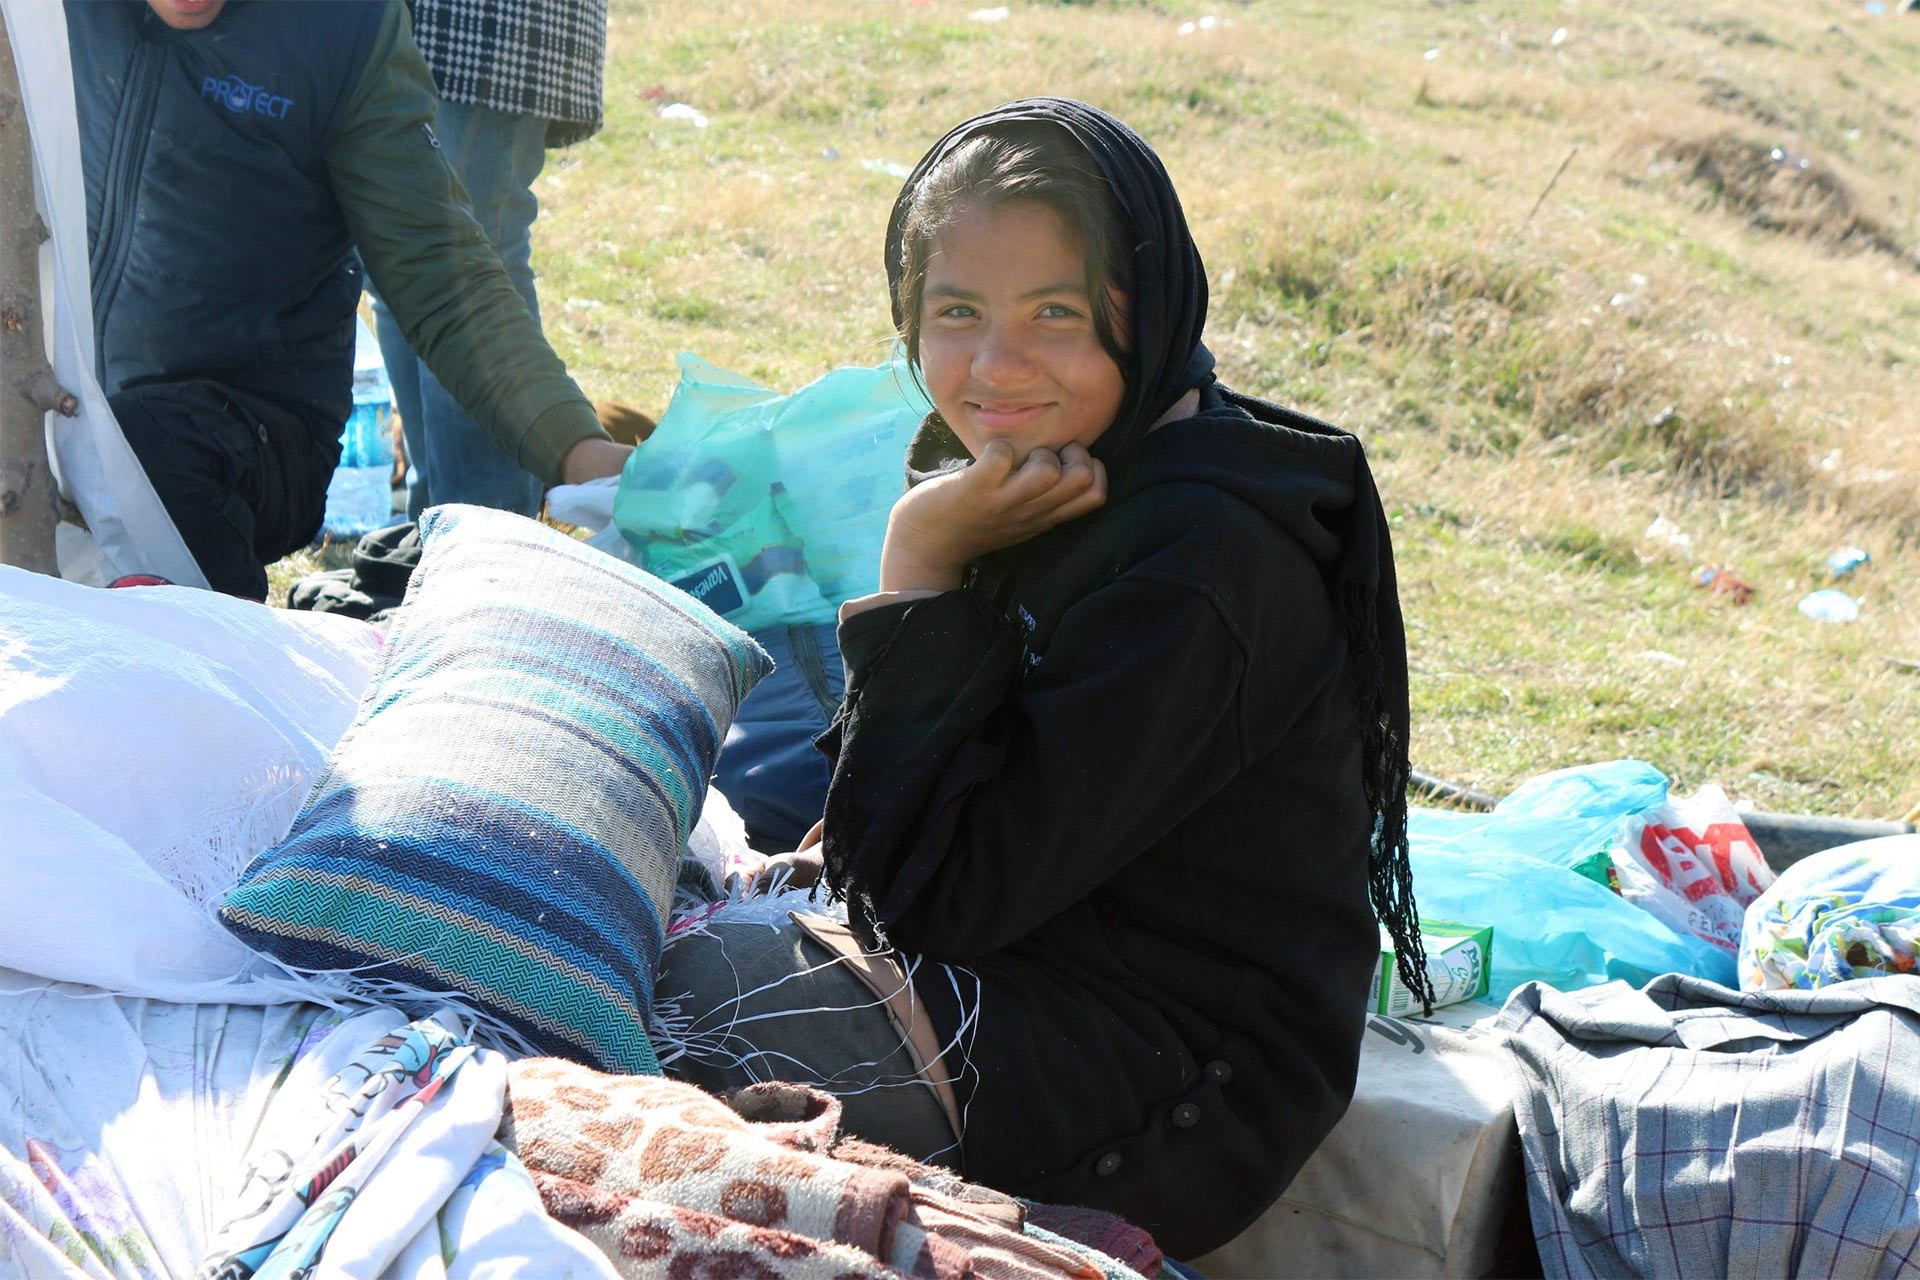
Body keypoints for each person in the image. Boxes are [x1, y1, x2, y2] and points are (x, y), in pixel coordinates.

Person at [657, 98, 1430, 1259]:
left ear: (1148, 308)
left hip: (1176, 1079)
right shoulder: (1073, 473)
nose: (993, 366)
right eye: (954, 312)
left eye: (1055, 314)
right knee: (625, 908)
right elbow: (917, 844)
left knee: (683, 1000)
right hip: (1042, 950)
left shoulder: (1200, 564)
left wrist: (918, 562)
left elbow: (933, 895)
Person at [66, 0, 630, 599]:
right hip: (60, 398)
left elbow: (438, 268)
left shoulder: (344, 24)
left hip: (248, 428)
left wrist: (574, 447)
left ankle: (222, 658)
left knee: (148, 446)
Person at [370, 0, 607, 520]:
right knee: (391, 262)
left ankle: (490, 542)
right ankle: (434, 533)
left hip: (485, 19)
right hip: (388, 18)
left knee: (468, 252)